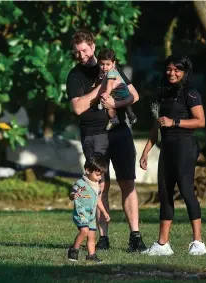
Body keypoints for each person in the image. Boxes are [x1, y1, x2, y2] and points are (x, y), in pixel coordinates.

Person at [66, 30, 146, 252]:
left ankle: (135, 236)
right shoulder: (75, 76)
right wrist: (101, 89)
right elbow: (78, 107)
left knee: (127, 182)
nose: (81, 55)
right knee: (99, 185)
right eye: (77, 52)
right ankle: (103, 238)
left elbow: (134, 95)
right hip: (93, 134)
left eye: (84, 50)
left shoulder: (110, 65)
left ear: (92, 46)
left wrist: (115, 104)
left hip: (119, 131)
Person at [139, 54, 206, 256]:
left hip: (185, 146)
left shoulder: (191, 93)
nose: (172, 73)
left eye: (177, 69)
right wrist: (146, 152)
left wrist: (175, 122)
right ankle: (163, 244)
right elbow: (157, 126)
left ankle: (198, 243)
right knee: (165, 193)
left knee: (186, 191)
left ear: (185, 72)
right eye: (169, 69)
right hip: (167, 148)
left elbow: (200, 121)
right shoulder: (164, 94)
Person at [68, 152, 110, 262]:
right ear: (87, 170)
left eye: (101, 175)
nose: (99, 177)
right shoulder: (81, 183)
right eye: (97, 174)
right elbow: (71, 194)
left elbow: (98, 201)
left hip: (91, 216)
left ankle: (91, 256)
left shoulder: (97, 187)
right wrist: (74, 195)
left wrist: (104, 212)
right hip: (81, 213)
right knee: (84, 231)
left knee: (92, 236)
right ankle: (73, 250)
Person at [97, 48, 137, 130]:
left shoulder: (111, 72)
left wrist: (106, 94)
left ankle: (127, 117)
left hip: (120, 91)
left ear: (113, 63)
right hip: (117, 93)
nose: (104, 67)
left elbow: (109, 85)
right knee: (112, 107)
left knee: (115, 105)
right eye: (102, 64)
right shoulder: (103, 72)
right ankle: (117, 119)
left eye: (107, 64)